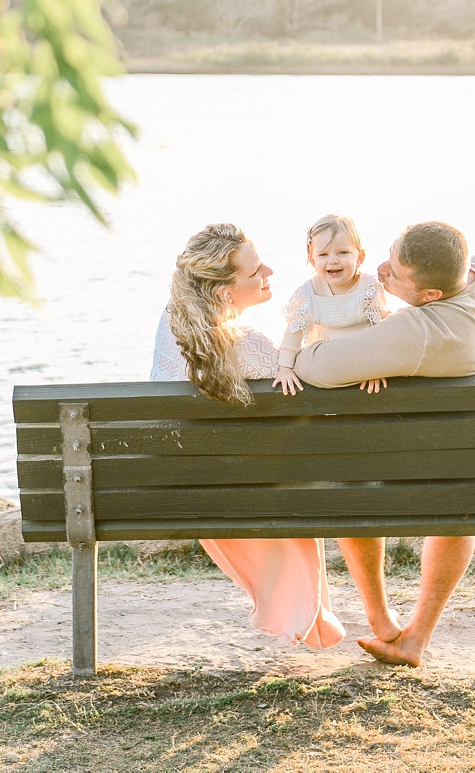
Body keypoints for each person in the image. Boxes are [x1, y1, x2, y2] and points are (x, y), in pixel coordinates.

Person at [293, 220, 475, 668]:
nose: (378, 270)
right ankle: (414, 637)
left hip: (420, 464)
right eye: (390, 255)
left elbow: (314, 367)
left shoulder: (418, 332)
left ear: (430, 296)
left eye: (393, 274)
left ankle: (380, 618)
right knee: (459, 505)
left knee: (352, 479)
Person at [150, 221, 345, 649]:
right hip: (244, 492)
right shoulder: (250, 345)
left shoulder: (173, 326)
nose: (269, 273)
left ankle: (298, 613)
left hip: (186, 490)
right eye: (255, 272)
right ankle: (305, 615)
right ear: (223, 292)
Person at [273, 213, 390, 396]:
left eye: (343, 252)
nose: (333, 260)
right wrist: (285, 368)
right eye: (323, 254)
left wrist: (375, 366)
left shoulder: (369, 287)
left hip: (362, 356)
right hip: (325, 359)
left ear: (360, 257)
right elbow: (293, 333)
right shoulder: (309, 292)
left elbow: (380, 330)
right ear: (312, 260)